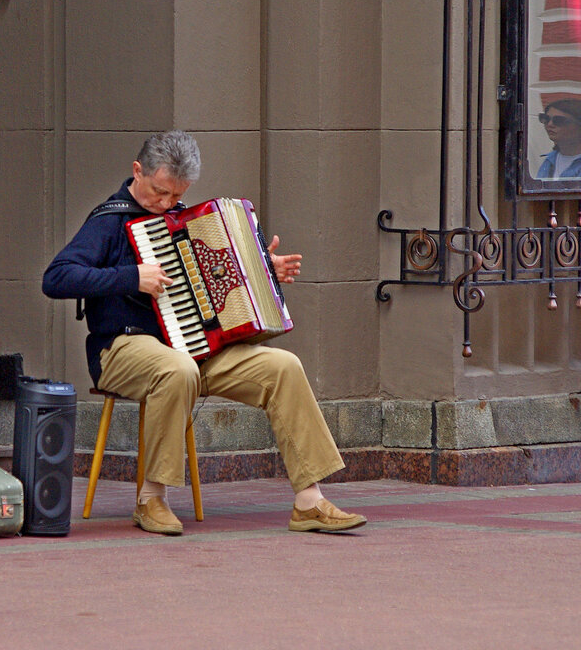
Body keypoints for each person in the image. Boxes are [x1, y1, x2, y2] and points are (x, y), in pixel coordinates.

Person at [42, 130, 365, 536]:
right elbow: (56, 278)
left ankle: (309, 502)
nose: (166, 204)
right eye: (160, 191)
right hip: (123, 347)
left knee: (283, 367)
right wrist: (131, 277)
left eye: (176, 196)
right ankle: (151, 498)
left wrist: (266, 271)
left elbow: (218, 287)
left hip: (196, 351)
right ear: (138, 171)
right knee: (176, 370)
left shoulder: (188, 223)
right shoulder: (108, 222)